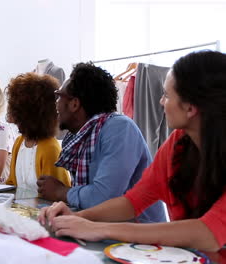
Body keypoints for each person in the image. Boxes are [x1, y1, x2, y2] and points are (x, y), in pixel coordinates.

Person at [38, 51, 226, 252]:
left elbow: (207, 234)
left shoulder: (119, 128)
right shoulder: (177, 144)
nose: (161, 102)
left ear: (190, 108)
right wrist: (76, 218)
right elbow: (133, 201)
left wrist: (98, 228)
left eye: (167, 95)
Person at [37, 62, 165, 223]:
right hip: (106, 229)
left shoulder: (119, 129)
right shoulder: (80, 136)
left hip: (142, 241)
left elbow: (103, 198)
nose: (56, 104)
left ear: (74, 104)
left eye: (59, 96)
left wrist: (61, 192)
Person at [5, 73, 71, 196]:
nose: (10, 115)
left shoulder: (49, 149)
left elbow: (57, 196)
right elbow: (12, 184)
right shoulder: (19, 142)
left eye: (14, 107)